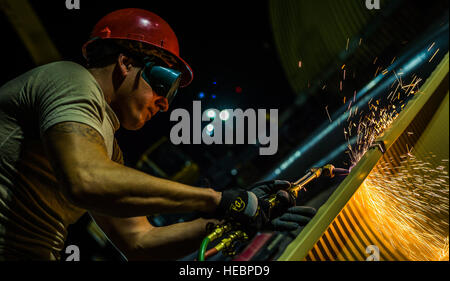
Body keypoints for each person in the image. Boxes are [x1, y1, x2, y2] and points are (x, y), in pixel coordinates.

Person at [0, 8, 315, 261]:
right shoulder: (70, 79)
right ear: (125, 63)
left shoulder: (107, 153)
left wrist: (237, 222)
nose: (165, 104)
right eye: (164, 82)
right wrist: (218, 200)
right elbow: (85, 179)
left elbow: (140, 242)